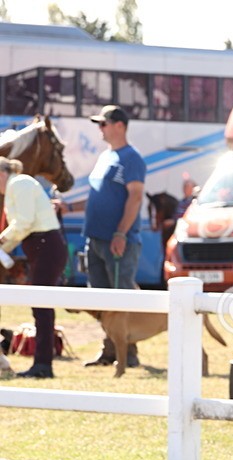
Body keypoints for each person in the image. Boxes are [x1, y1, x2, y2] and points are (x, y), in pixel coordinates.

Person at [82, 104, 145, 368]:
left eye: (103, 123)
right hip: (95, 239)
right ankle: (109, 350)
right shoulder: (105, 157)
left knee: (120, 297)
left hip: (118, 241)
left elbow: (135, 196)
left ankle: (128, 354)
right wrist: (69, 207)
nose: (100, 129)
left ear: (120, 125)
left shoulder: (131, 158)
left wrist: (121, 232)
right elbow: (98, 196)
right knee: (101, 299)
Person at [0, 157, 68, 378]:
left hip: (45, 247)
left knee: (41, 306)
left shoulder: (19, 184)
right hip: (42, 247)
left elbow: (24, 222)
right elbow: (22, 226)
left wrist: (2, 241)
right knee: (41, 306)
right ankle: (42, 363)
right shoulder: (16, 186)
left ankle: (43, 365)